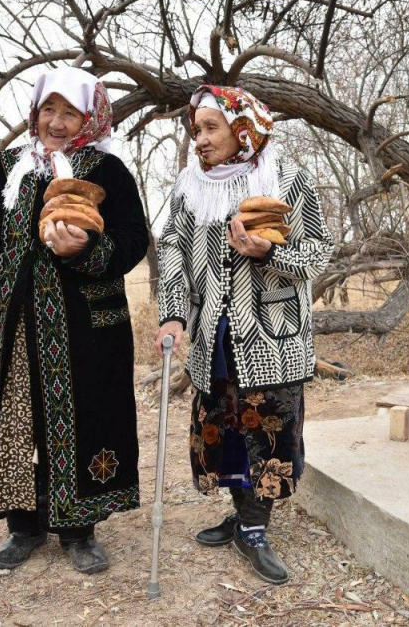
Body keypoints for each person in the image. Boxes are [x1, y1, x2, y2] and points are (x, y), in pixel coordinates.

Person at [0, 66, 149, 575]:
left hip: (84, 331)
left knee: (83, 419)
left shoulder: (107, 171)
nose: (56, 122)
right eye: (48, 109)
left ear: (89, 118)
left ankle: (79, 529)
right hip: (7, 326)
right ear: (34, 113)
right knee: (12, 422)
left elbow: (133, 240)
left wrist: (88, 249)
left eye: (69, 112)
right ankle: (24, 527)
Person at [154, 85, 333, 584]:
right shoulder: (189, 186)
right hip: (214, 331)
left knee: (268, 427)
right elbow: (172, 249)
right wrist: (173, 314)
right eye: (196, 130)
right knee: (226, 427)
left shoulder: (287, 179)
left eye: (211, 128)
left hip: (273, 335)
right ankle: (241, 516)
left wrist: (269, 253)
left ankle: (254, 528)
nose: (200, 139)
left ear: (242, 128)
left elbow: (319, 251)